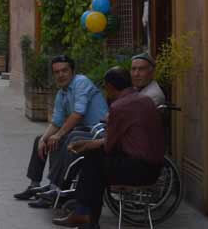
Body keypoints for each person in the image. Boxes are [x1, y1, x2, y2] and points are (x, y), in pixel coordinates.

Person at [51, 67, 165, 227]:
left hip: (139, 168)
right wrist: (88, 144)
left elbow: (109, 146)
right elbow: (116, 141)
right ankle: (85, 215)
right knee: (95, 162)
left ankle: (83, 213)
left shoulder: (120, 106)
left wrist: (88, 145)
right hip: (155, 167)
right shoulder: (144, 99)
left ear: (110, 87)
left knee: (93, 162)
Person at [13, 55, 108, 206]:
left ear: (73, 71)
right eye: (56, 72)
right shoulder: (61, 93)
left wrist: (58, 135)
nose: (60, 75)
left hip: (97, 132)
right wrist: (44, 138)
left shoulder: (81, 82)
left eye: (64, 71)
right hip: (82, 131)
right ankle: (34, 185)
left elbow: (78, 113)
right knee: (41, 139)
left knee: (62, 140)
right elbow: (56, 122)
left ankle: (55, 188)